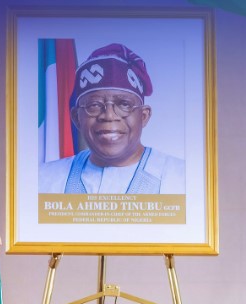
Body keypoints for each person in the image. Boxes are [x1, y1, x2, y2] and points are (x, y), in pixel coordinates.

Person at [38, 43, 186, 195]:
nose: (109, 116)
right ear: (76, 118)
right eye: (94, 105)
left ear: (143, 116)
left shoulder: (185, 179)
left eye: (124, 104)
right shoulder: (43, 180)